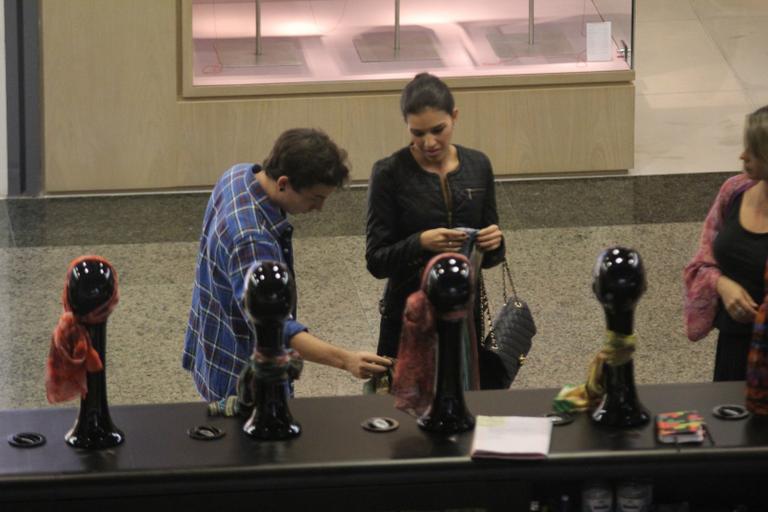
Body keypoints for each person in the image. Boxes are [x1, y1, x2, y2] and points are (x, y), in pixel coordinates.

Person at [183, 128, 391, 401]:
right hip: (242, 373)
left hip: (213, 342)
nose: (319, 208)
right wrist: (346, 360)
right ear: (283, 182)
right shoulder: (251, 239)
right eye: (316, 197)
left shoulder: (238, 174)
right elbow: (277, 326)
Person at [366, 72, 505, 363]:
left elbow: (490, 259)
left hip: (463, 313)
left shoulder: (478, 165)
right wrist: (420, 242)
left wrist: (495, 242)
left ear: (455, 117)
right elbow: (377, 261)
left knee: (464, 396)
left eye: (438, 129)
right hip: (407, 316)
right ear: (407, 127)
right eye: (417, 133)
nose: (429, 142)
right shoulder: (389, 173)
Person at [684, 105, 768, 381]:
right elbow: (701, 262)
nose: (743, 156)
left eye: (753, 150)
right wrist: (722, 285)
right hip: (734, 346)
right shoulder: (734, 191)